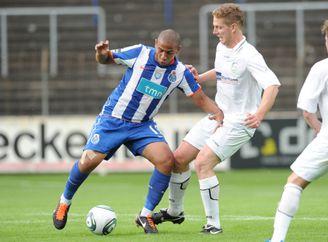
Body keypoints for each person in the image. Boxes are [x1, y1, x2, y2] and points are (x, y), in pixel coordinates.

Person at [52, 29, 224, 234]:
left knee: (166, 160)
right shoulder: (140, 53)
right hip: (113, 119)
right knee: (89, 160)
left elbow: (200, 98)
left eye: (169, 52)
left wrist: (220, 115)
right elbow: (106, 59)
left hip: (142, 126)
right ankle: (64, 202)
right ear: (155, 44)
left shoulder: (180, 72)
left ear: (178, 50)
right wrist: (101, 53)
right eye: (160, 50)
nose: (163, 55)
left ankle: (146, 214)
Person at [152, 3, 280, 234]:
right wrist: (199, 77)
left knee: (202, 163)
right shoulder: (222, 47)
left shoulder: (250, 55)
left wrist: (260, 113)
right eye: (214, 26)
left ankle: (213, 224)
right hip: (219, 115)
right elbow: (222, 72)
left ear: (233, 27)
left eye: (219, 27)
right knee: (179, 158)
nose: (215, 31)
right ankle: (175, 212)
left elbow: (272, 85)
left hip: (240, 121)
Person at [266, 16, 328, 242]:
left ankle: (277, 240)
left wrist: (320, 129)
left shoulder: (322, 67)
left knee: (294, 182)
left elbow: (307, 111)